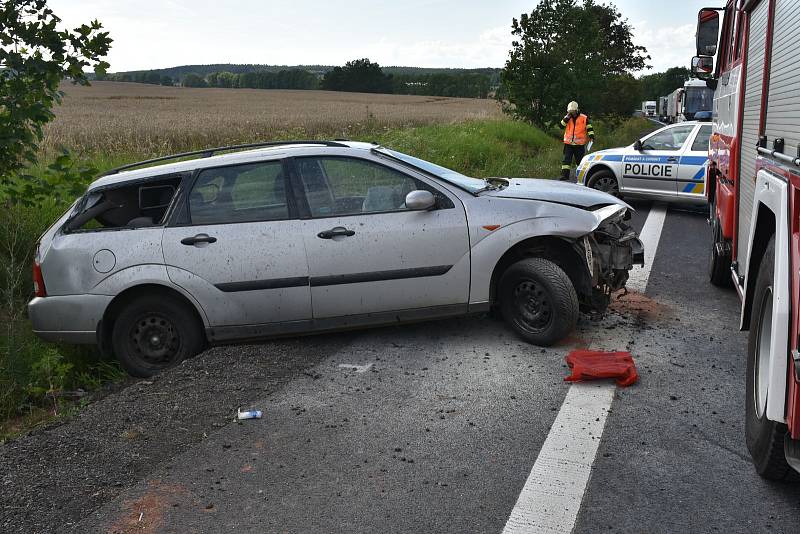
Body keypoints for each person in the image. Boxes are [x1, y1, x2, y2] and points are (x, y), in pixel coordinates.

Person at [559, 101, 594, 181]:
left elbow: (589, 127)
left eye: (573, 111)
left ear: (577, 110)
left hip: (579, 144)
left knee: (580, 161)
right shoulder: (567, 117)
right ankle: (564, 176)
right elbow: (561, 126)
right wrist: (566, 118)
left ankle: (581, 177)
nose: (572, 113)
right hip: (568, 143)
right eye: (570, 112)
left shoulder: (583, 117)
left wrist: (591, 136)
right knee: (566, 161)